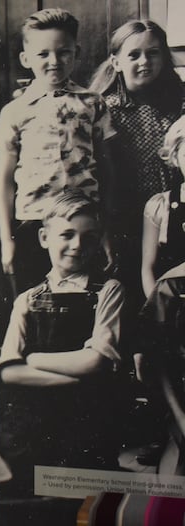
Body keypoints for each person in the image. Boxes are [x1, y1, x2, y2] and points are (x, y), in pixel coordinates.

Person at [0, 191, 125, 526]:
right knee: (38, 513)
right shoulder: (27, 299)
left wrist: (35, 358)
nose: (77, 245)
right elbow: (8, 370)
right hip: (34, 427)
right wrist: (74, 372)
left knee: (89, 511)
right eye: (67, 234)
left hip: (88, 423)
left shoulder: (108, 290)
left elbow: (95, 361)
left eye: (89, 237)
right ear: (44, 237)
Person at [0, 8, 116, 300]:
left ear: (77, 53)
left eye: (63, 52)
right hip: (32, 222)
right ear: (26, 59)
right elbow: (4, 180)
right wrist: (6, 240)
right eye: (43, 54)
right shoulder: (15, 110)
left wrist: (107, 230)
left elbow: (109, 171)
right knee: (33, 304)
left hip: (85, 224)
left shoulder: (93, 103)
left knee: (87, 303)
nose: (53, 61)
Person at [89, 19, 184, 309]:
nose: (145, 61)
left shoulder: (178, 102)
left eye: (153, 53)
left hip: (168, 218)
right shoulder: (103, 108)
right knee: (127, 292)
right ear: (116, 62)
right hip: (123, 218)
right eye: (134, 55)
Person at [135, 261, 185, 475]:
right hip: (178, 401)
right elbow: (157, 363)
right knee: (174, 479)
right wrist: (181, 418)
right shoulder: (172, 284)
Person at [141, 115, 185, 299]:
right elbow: (148, 268)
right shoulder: (160, 205)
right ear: (174, 157)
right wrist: (158, 307)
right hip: (172, 307)